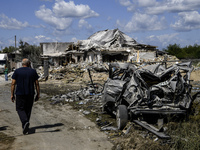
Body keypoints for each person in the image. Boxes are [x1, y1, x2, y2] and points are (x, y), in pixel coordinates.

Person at [11, 58, 40, 135]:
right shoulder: (33, 71)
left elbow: (13, 83)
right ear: (29, 63)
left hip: (20, 94)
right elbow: (36, 83)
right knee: (28, 109)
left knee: (20, 109)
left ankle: (25, 122)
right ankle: (25, 126)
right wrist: (38, 94)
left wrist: (12, 94)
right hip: (30, 94)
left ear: (22, 64)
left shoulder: (17, 71)